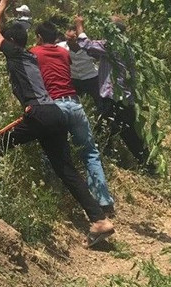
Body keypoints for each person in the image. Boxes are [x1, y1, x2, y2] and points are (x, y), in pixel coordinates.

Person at [0, 0, 114, 246]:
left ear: (11, 43)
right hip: (54, 114)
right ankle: (99, 219)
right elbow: (5, 31)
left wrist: (2, 4)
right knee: (66, 170)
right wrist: (3, 6)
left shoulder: (18, 54)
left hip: (40, 113)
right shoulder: (31, 56)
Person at [31, 21, 115, 216]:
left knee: (52, 154)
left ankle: (55, 200)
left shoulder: (35, 52)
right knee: (90, 153)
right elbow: (73, 55)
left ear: (40, 38)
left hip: (54, 107)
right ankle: (104, 201)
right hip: (75, 104)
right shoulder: (63, 53)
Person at [74, 16, 155, 174]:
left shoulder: (113, 45)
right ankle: (146, 164)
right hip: (125, 96)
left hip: (112, 97)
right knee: (127, 132)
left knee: (104, 130)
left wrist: (79, 26)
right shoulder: (126, 45)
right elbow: (97, 54)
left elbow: (87, 45)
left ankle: (105, 165)